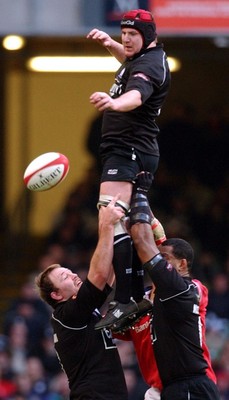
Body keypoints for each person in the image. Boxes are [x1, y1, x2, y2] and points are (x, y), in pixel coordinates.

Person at [87, 9, 171, 329]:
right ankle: (132, 293)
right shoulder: (143, 57)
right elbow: (128, 61)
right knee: (124, 218)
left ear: (148, 36)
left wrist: (114, 104)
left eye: (132, 34)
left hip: (129, 150)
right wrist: (110, 44)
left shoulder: (150, 65)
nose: (126, 38)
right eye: (123, 32)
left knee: (110, 214)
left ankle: (127, 298)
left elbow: (136, 95)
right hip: (127, 150)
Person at [126, 171, 221, 399]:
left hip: (191, 383)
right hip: (165, 388)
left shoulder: (189, 289)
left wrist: (139, 194)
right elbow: (158, 241)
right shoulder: (152, 296)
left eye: (165, 259)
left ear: (182, 264)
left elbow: (146, 244)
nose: (158, 262)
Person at [35, 196, 128, 400]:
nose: (74, 275)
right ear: (56, 295)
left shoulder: (82, 310)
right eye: (64, 277)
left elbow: (108, 275)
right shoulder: (67, 315)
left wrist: (122, 232)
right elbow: (99, 276)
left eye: (70, 271)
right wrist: (106, 225)